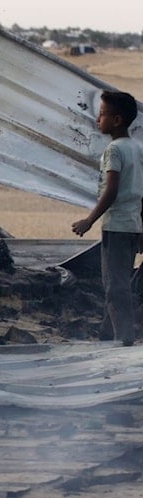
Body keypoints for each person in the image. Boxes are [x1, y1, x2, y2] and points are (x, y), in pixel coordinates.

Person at [72, 90, 143, 346]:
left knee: (115, 285)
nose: (97, 120)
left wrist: (89, 220)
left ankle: (124, 338)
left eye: (102, 115)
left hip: (116, 226)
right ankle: (106, 333)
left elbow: (111, 190)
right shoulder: (135, 148)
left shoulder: (113, 150)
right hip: (132, 225)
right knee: (118, 280)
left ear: (117, 120)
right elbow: (139, 192)